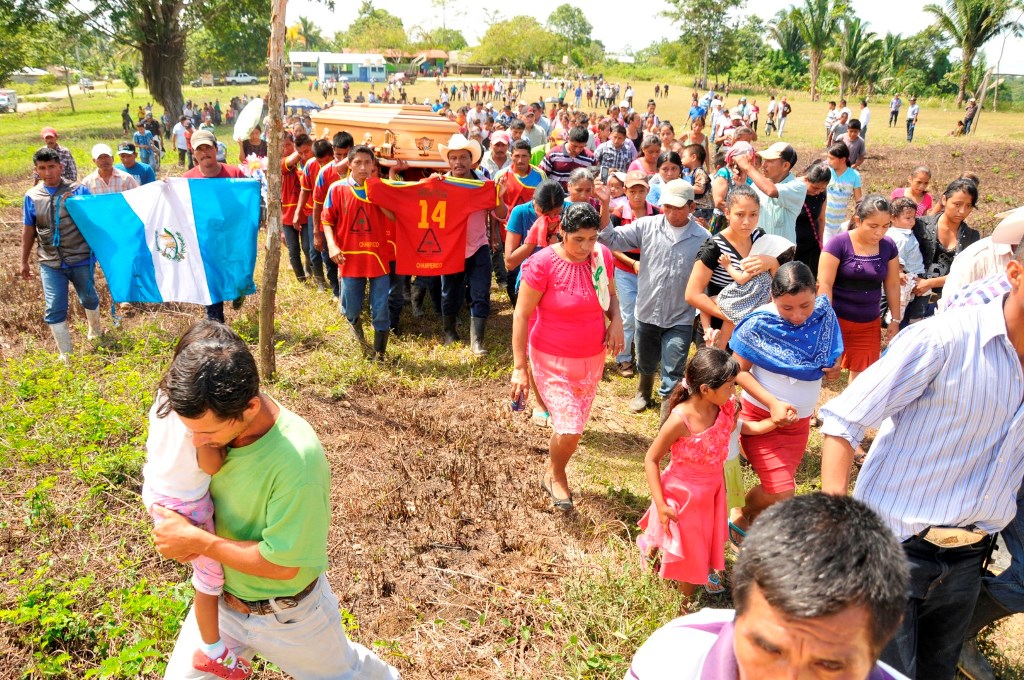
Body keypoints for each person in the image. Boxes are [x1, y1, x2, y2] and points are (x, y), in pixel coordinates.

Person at [819, 240, 1024, 679]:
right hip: (893, 548)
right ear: (1015, 274)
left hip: (969, 557)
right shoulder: (945, 339)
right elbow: (844, 420)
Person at [152, 325, 401, 679]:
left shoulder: (297, 461)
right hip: (221, 606)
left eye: (206, 432)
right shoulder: (214, 422)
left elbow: (284, 566)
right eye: (190, 430)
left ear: (250, 406)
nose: (194, 442)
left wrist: (198, 542)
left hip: (290, 618)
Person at [626, 493, 911, 680]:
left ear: (883, 638)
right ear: (738, 607)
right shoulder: (671, 661)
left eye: (829, 665)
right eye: (767, 647)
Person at [143, 322, 253, 679]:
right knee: (210, 579)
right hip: (186, 507)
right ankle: (212, 649)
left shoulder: (163, 399)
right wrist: (213, 443)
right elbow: (213, 467)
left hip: (156, 493)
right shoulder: (202, 420)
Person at [510, 203, 623, 511]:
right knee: (570, 427)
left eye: (592, 238)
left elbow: (611, 294)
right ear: (562, 233)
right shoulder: (542, 264)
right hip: (550, 359)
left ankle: (554, 470)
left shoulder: (602, 257)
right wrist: (520, 368)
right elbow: (521, 316)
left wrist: (617, 322)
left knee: (575, 427)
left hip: (592, 359)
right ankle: (557, 475)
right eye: (578, 240)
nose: (586, 247)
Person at [726, 262, 842, 545]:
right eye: (786, 308)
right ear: (772, 297)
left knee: (777, 487)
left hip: (798, 424)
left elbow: (832, 353)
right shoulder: (758, 323)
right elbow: (736, 371)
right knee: (781, 492)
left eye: (805, 305)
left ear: (816, 292)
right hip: (761, 417)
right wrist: (773, 403)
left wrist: (835, 367)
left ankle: (746, 519)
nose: (798, 316)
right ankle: (740, 511)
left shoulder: (825, 314)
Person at [597, 180, 710, 419]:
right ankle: (643, 391)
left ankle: (666, 418)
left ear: (691, 207)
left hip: (681, 316)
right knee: (646, 362)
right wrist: (605, 204)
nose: (671, 212)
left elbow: (708, 277)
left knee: (674, 370)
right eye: (667, 206)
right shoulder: (646, 226)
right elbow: (609, 239)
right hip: (647, 311)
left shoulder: (703, 237)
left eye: (678, 207)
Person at [637, 348, 742, 598]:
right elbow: (651, 458)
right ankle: (683, 607)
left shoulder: (725, 407)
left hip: (712, 490)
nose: (733, 391)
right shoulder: (679, 420)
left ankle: (649, 546)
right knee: (691, 550)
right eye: (729, 386)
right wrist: (661, 505)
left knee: (692, 541)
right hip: (683, 495)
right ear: (706, 389)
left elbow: (731, 431)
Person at [21, 147, 100, 358]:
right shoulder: (32, 196)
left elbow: (94, 221)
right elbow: (29, 229)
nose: (48, 172)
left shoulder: (78, 190)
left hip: (80, 257)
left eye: (52, 167)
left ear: (61, 167)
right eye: (42, 168)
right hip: (49, 261)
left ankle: (96, 330)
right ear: (36, 170)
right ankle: (66, 355)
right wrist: (24, 261)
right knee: (54, 306)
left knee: (88, 297)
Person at [321, 145, 397, 361]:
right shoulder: (337, 189)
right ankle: (363, 347)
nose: (363, 167)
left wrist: (378, 197)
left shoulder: (382, 188)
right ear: (350, 164)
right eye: (358, 162)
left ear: (374, 165)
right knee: (351, 309)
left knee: (381, 308)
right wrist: (333, 245)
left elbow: (395, 216)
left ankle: (379, 355)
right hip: (350, 258)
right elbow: (327, 220)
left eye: (368, 163)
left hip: (378, 259)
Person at [818, 195, 901, 386]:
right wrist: (826, 323)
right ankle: (810, 414)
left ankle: (851, 414)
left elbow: (893, 284)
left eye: (885, 226)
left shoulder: (888, 246)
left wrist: (895, 320)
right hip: (837, 320)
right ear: (858, 221)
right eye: (873, 226)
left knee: (863, 378)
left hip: (868, 322)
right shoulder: (838, 244)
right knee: (824, 370)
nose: (879, 232)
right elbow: (825, 285)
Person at [182, 130, 248, 323]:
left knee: (235, 273)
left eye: (208, 148)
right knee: (210, 278)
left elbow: (247, 202)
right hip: (205, 240)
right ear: (193, 153)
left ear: (216, 149)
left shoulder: (234, 173)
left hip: (233, 237)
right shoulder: (187, 178)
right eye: (199, 149)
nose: (204, 153)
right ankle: (215, 322)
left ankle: (238, 290)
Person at [905, 178, 981, 323]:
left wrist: (929, 283)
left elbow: (966, 274)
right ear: (944, 200)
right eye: (957, 204)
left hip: (948, 304)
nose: (962, 211)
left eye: (968, 206)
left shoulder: (972, 237)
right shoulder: (920, 225)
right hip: (912, 297)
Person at [609, 171, 660, 378]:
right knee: (628, 315)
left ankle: (644, 356)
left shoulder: (657, 214)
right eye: (632, 191)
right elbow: (610, 243)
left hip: (650, 273)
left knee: (648, 315)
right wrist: (632, 262)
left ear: (648, 190)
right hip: (625, 271)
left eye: (641, 191)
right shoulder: (619, 214)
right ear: (625, 191)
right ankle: (624, 358)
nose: (637, 196)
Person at [731, 142, 806, 243]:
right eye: (765, 160)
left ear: (785, 165)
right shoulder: (758, 185)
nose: (764, 165)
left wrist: (748, 167)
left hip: (782, 252)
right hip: (758, 247)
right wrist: (741, 184)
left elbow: (771, 191)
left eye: (770, 161)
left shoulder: (797, 186)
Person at [885, 197, 926, 325]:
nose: (912, 221)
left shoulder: (905, 232)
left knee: (915, 296)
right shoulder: (899, 237)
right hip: (907, 275)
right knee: (901, 299)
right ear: (893, 218)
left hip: (913, 274)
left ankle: (909, 319)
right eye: (908, 218)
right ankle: (894, 320)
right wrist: (899, 272)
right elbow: (897, 256)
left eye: (914, 217)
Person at [793, 161, 831, 277]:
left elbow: (820, 218)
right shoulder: (793, 188)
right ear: (806, 179)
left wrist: (820, 242)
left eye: (822, 188)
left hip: (810, 246)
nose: (817, 192)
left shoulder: (822, 193)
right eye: (815, 188)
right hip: (793, 245)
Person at [822, 142, 862, 246]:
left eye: (831, 158)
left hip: (840, 224)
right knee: (826, 250)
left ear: (843, 159)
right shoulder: (826, 172)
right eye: (828, 158)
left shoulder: (854, 175)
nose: (828, 161)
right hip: (824, 222)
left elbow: (859, 201)